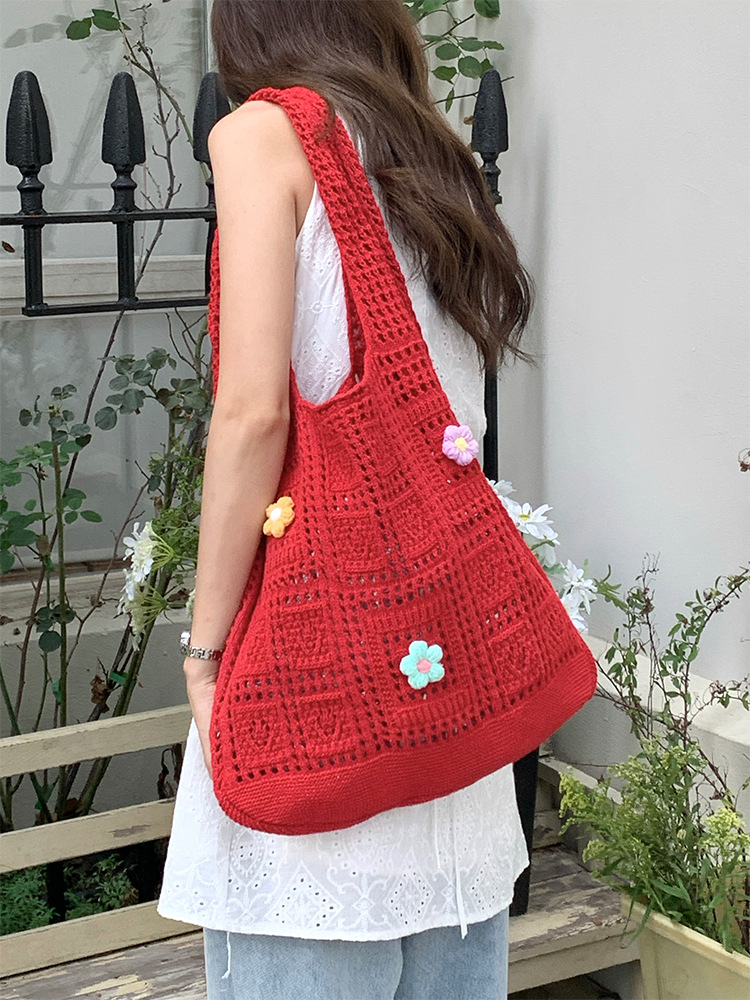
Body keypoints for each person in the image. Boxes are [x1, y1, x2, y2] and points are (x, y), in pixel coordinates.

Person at [157, 2, 536, 998]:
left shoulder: (262, 135)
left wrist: (204, 650)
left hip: (320, 705)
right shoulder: (431, 152)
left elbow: (254, 414)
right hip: (452, 731)